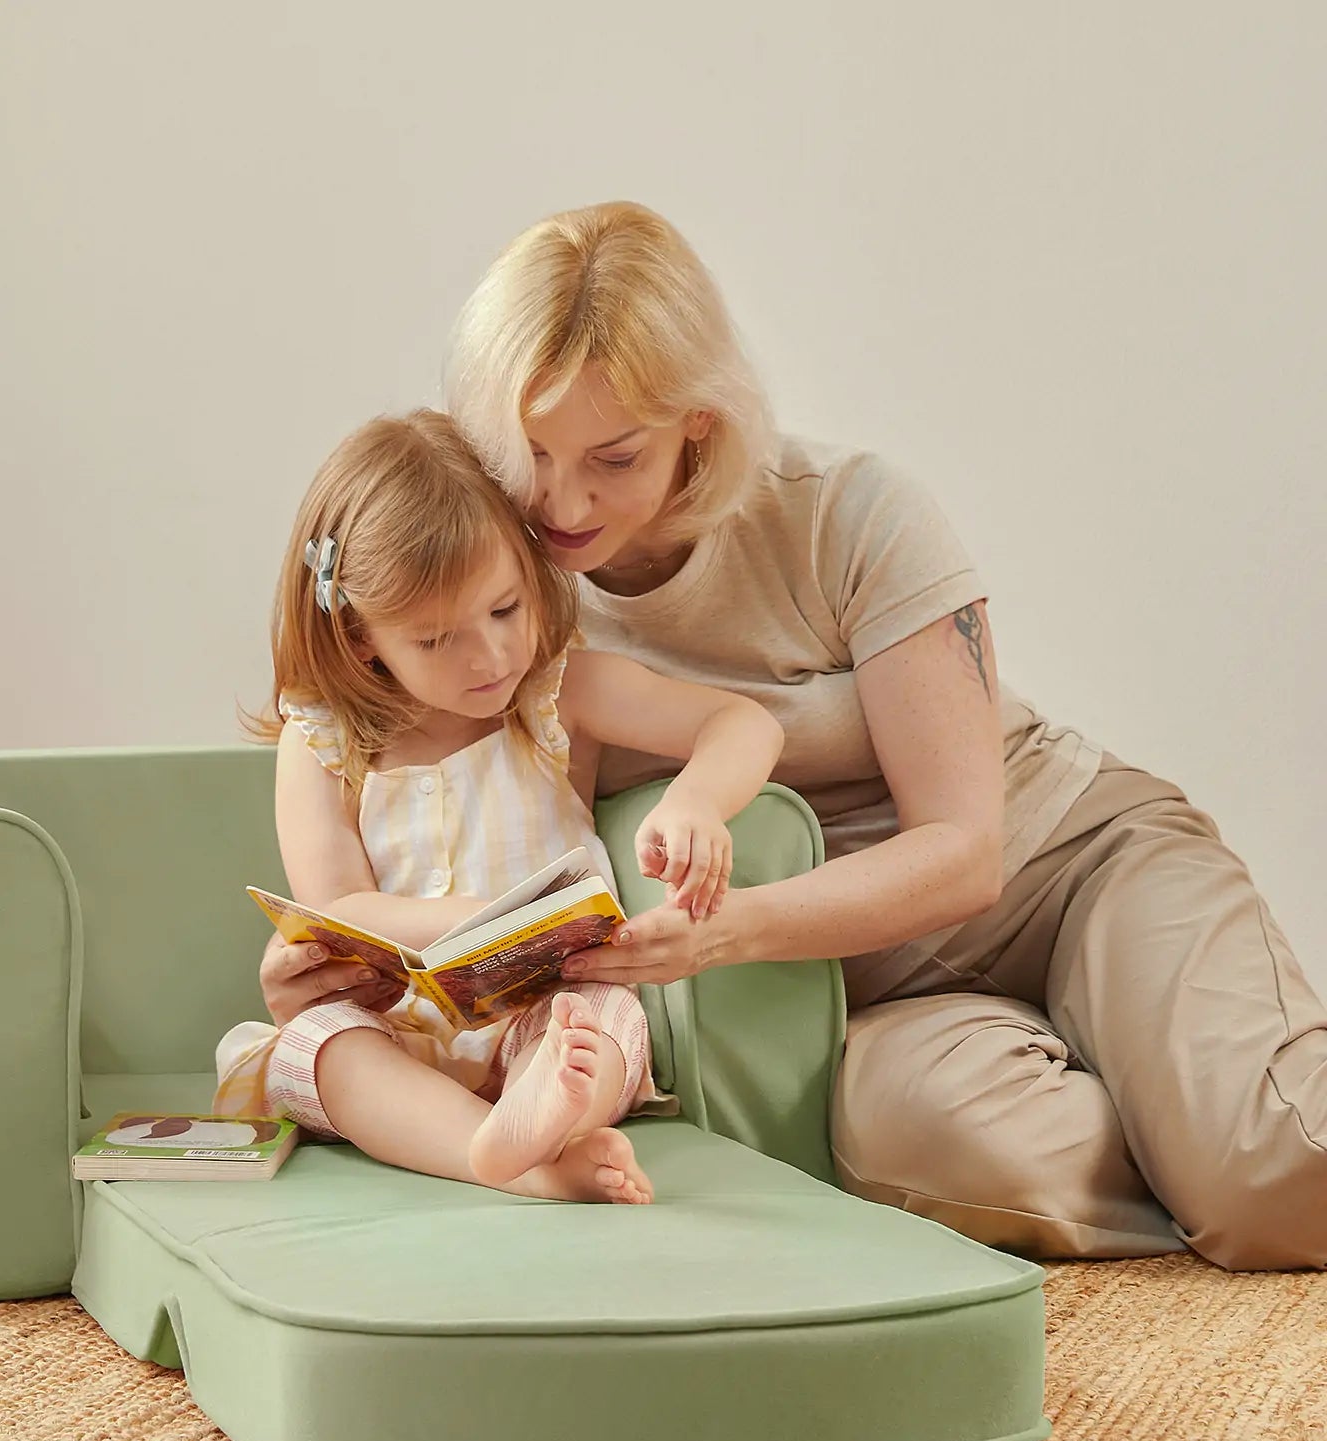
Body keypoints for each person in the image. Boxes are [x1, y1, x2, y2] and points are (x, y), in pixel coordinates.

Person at [260, 202, 1327, 1271]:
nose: (562, 499)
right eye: (527, 450)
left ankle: (1216, 1127)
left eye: (614, 457)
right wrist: (341, 964)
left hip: (1067, 865)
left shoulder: (850, 515)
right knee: (919, 1152)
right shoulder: (500, 593)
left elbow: (965, 852)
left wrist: (720, 932)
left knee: (1269, 1171)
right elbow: (392, 782)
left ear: (698, 422)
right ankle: (1180, 1116)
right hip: (871, 981)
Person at [216, 408, 782, 1205]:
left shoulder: (556, 696)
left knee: (602, 1019)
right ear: (359, 638)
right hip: (401, 1035)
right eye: (436, 639)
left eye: (505, 609)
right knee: (317, 1046)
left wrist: (696, 804)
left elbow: (742, 723)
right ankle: (507, 1156)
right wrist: (491, 917)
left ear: (529, 569)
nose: (489, 657)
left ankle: (544, 1114)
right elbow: (336, 904)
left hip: (542, 1014)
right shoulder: (322, 740)